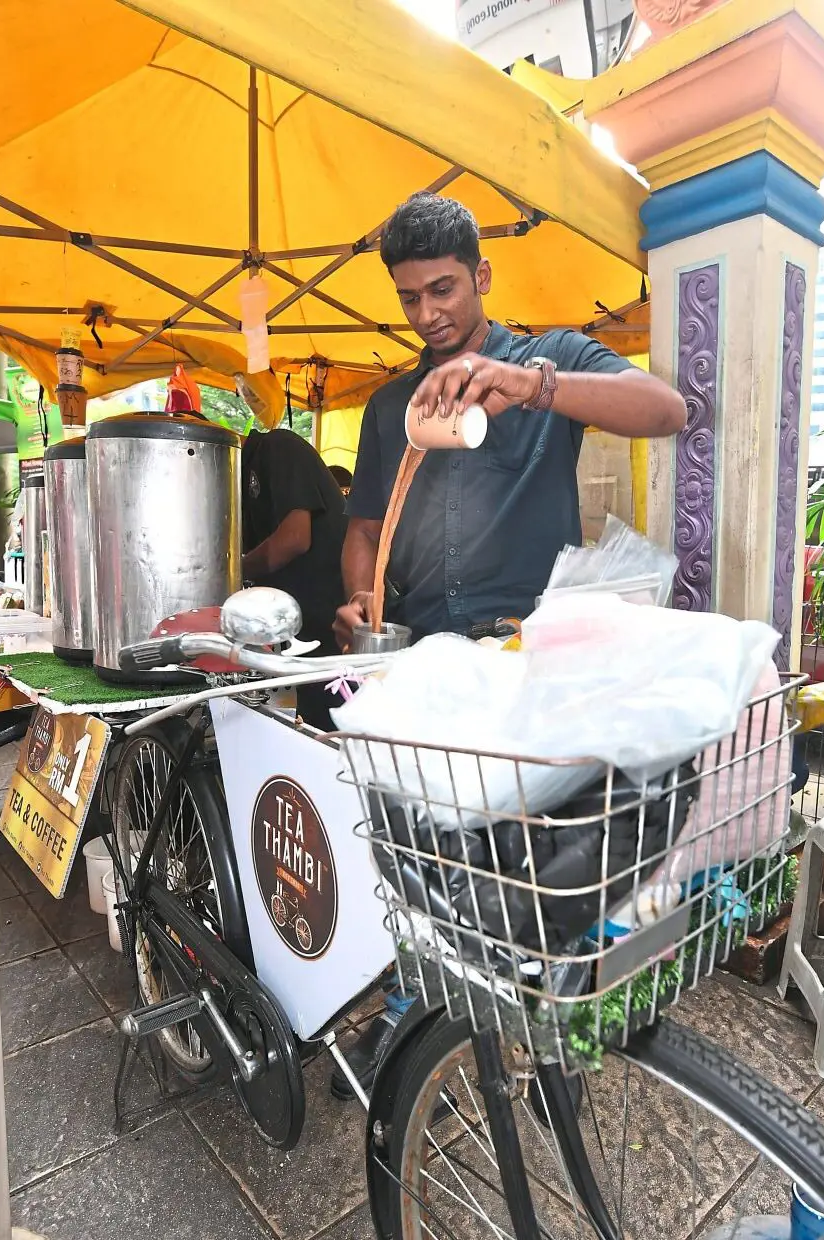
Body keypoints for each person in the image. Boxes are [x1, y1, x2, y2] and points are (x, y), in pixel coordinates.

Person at [329, 192, 686, 1099]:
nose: (427, 314)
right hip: (424, 664)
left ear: (482, 275)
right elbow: (364, 528)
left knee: (534, 861)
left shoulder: (548, 359)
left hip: (529, 658)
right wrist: (361, 597)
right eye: (409, 297)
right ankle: (418, 1012)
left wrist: (532, 386)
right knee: (428, 860)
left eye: (443, 289)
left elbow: (666, 408)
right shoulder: (391, 406)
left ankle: (545, 1023)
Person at [240, 427, 347, 730]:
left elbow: (295, 538)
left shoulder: (278, 447)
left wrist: (234, 570)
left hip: (332, 622)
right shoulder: (241, 481)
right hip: (302, 631)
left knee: (329, 731)